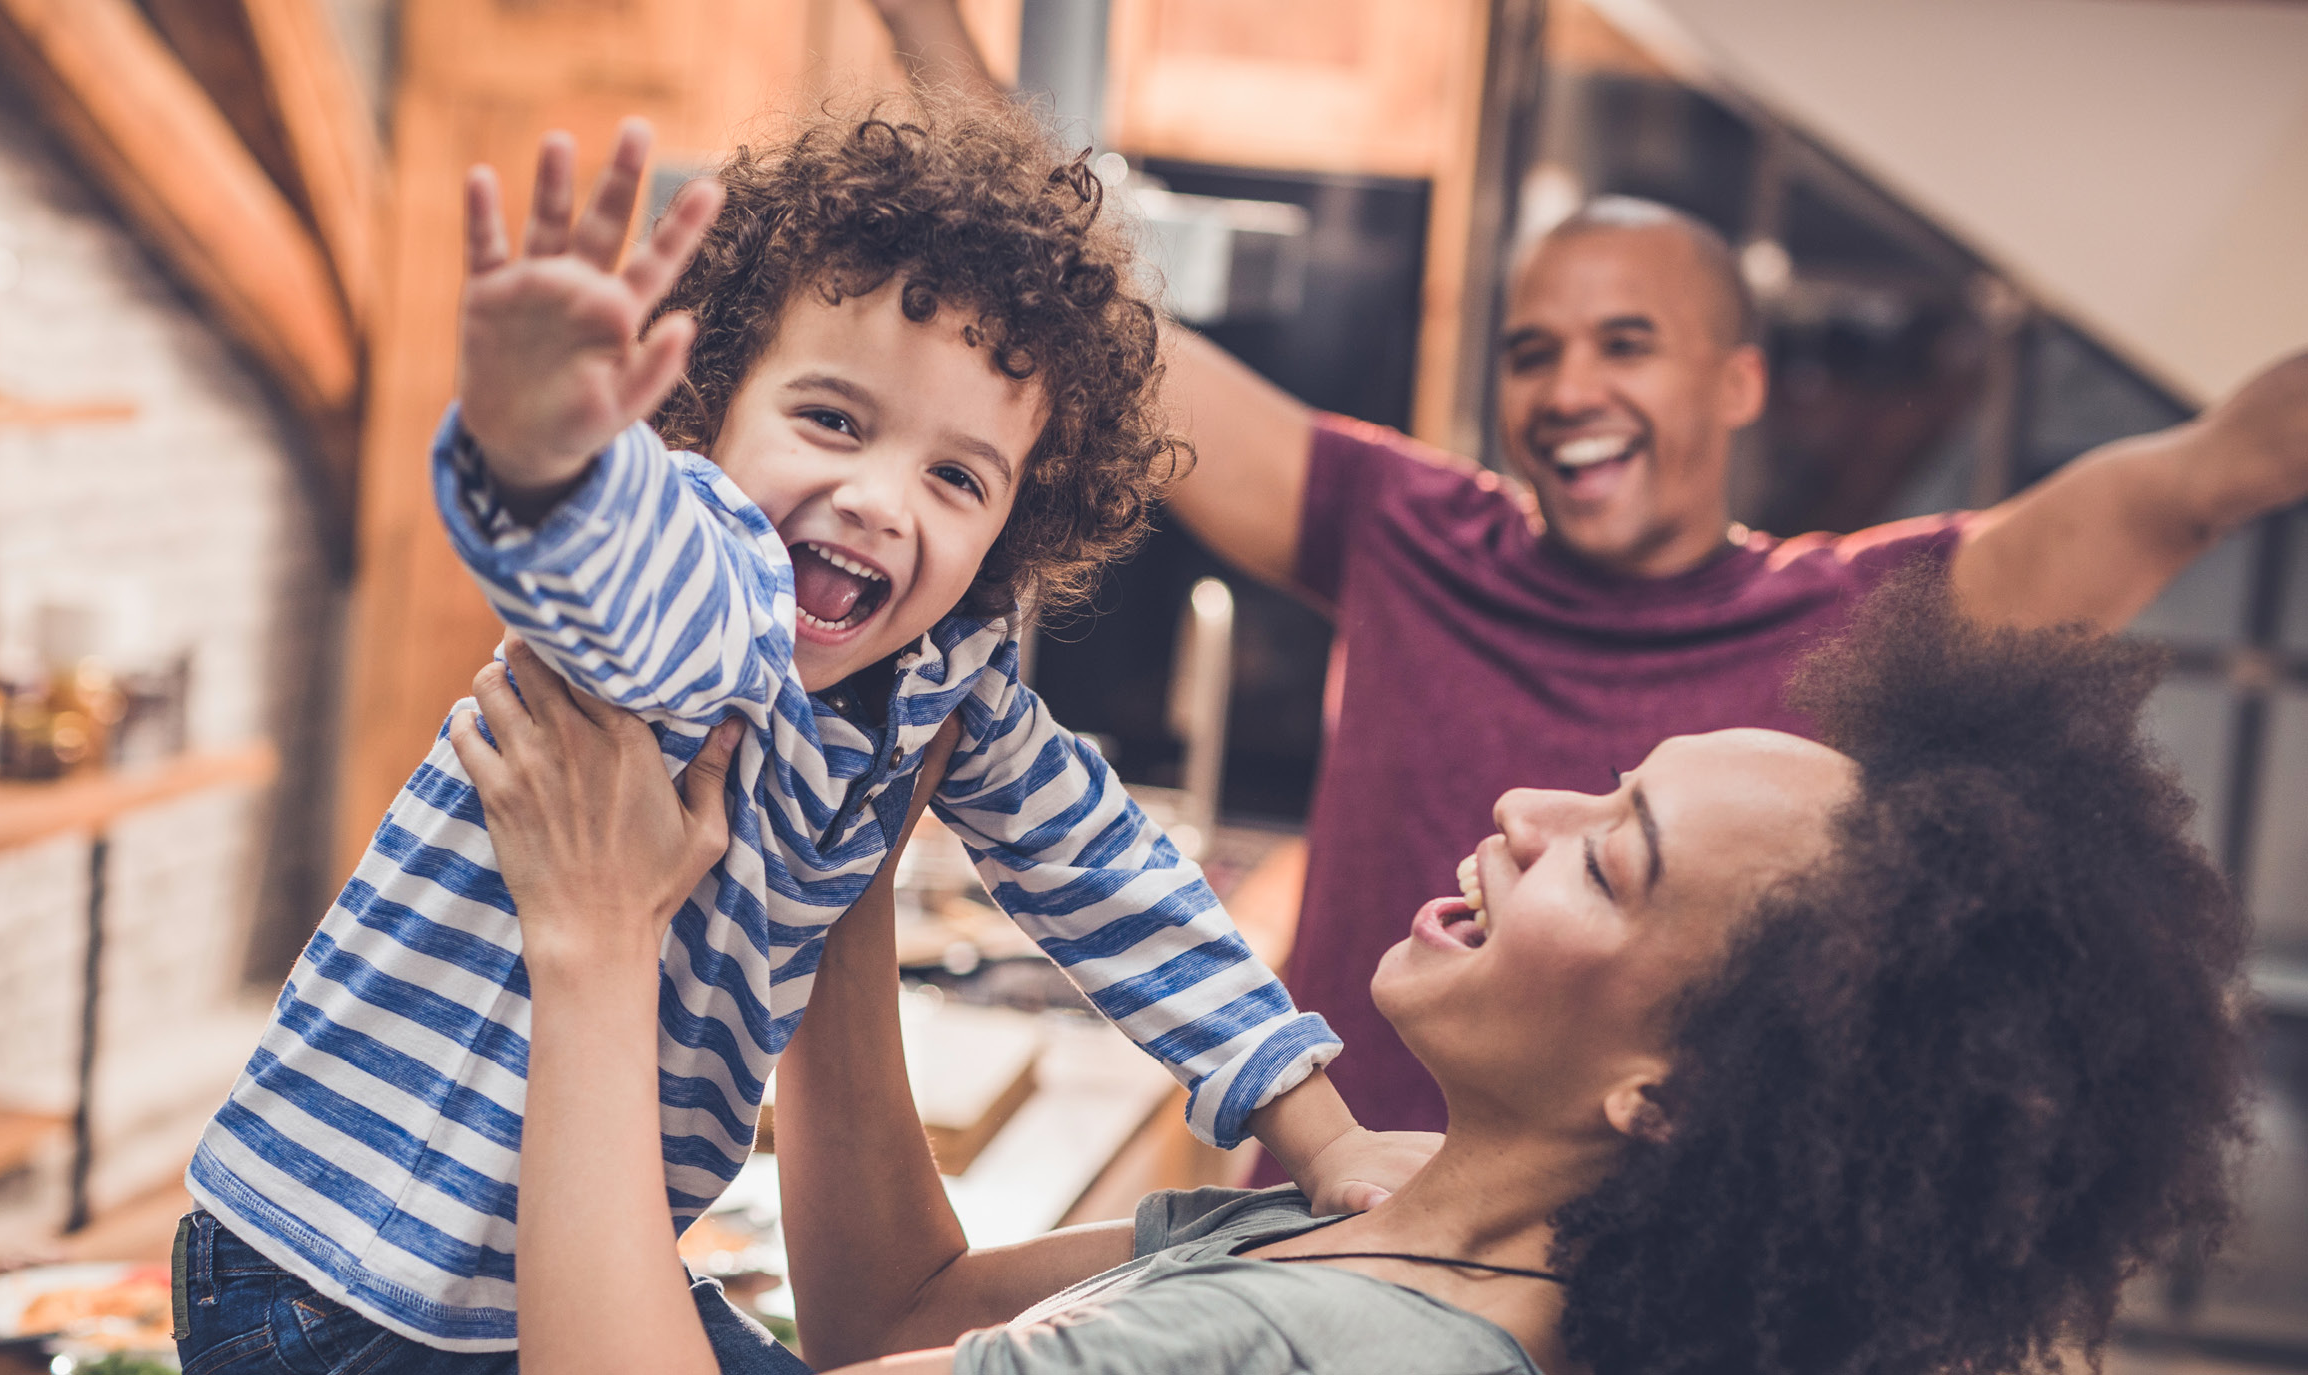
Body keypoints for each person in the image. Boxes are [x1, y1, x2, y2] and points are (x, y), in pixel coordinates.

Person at [867, 0, 2308, 1139]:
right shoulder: (1402, 527)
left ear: (1737, 381)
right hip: (1314, 1210)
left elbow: (2204, 476)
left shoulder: (1857, 621)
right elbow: (1089, 292)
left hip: (1590, 1290)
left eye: (1626, 344)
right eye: (1530, 350)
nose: (1567, 388)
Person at [174, 98, 1429, 1369]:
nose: (880, 499)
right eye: (831, 420)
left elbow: (1122, 887)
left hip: (535, 1279)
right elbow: (607, 568)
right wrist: (542, 452)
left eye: (958, 477)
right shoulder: (703, 583)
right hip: (342, 1266)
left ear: (1015, 525)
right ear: (712, 408)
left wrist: (1322, 1137)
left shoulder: (953, 685)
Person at [449, 568, 2250, 1375]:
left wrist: (597, 945)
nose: (1531, 810)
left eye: (1609, 861)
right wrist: (847, 882)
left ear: (1679, 1091)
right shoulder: (1378, 1226)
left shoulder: (1332, 1352)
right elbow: (897, 1311)